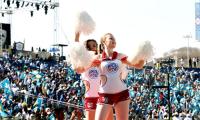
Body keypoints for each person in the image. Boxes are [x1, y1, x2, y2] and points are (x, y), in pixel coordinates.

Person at [94, 33, 144, 120]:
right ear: (104, 42)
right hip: (105, 95)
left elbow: (139, 65)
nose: (114, 40)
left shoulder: (120, 56)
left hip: (122, 94)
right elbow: (80, 69)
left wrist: (144, 52)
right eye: (111, 38)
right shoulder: (98, 58)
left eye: (114, 39)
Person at [74, 32, 114, 120]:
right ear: (87, 48)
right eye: (92, 45)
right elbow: (76, 50)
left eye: (96, 45)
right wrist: (77, 35)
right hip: (90, 97)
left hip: (104, 96)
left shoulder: (101, 59)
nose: (95, 47)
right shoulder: (84, 62)